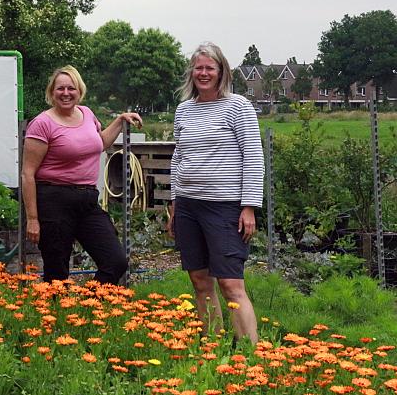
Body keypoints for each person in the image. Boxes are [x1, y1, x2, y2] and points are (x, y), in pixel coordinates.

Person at [166, 42, 264, 343]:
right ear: (191, 72)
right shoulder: (184, 110)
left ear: (221, 72)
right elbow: (177, 156)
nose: (204, 73)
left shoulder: (238, 106)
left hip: (224, 207)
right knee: (199, 281)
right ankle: (213, 347)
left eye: (210, 67)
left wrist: (249, 206)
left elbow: (253, 156)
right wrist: (173, 204)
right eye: (199, 68)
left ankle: (250, 354)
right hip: (187, 206)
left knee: (231, 284)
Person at [22, 65, 142, 285]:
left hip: (87, 200)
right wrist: (32, 219)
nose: (66, 93)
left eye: (71, 88)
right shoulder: (42, 124)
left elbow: (101, 143)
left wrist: (120, 120)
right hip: (53, 200)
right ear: (51, 92)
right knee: (56, 274)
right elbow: (27, 174)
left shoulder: (87, 114)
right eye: (60, 89)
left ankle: (89, 305)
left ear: (79, 91)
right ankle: (56, 316)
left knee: (115, 261)